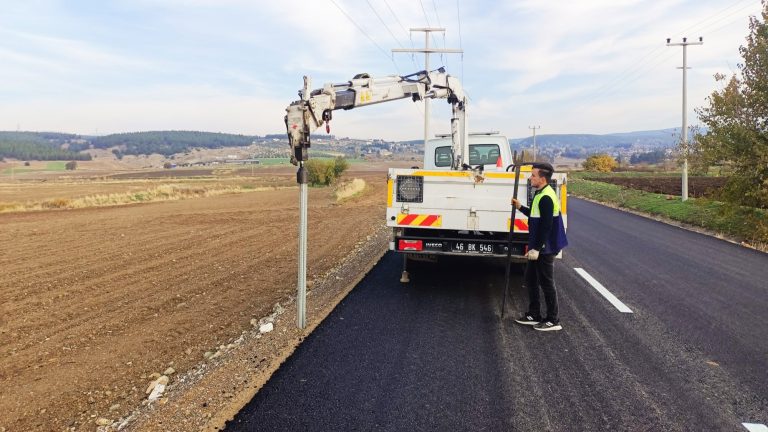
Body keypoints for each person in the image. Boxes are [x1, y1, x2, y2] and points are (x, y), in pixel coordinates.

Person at [511, 162, 568, 331]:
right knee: (530, 278)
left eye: (533, 175)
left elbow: (546, 226)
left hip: (546, 246)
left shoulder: (546, 197)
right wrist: (520, 207)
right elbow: (535, 215)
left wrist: (537, 248)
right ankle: (534, 314)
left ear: (542, 179)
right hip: (539, 244)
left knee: (546, 282)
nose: (530, 178)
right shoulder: (540, 193)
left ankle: (553, 320)